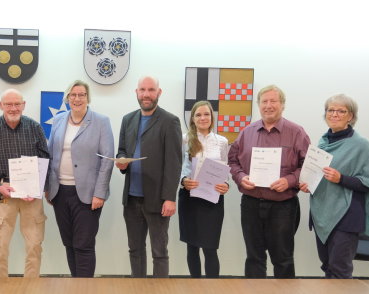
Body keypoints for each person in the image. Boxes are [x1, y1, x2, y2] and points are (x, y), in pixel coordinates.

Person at [228, 85, 310, 278]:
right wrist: (241, 177)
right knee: (254, 257)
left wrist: (289, 180)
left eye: (273, 101)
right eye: (264, 101)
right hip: (251, 204)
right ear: (258, 105)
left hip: (283, 206)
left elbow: (308, 166)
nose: (268, 105)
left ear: (282, 105)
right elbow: (232, 161)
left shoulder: (297, 132)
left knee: (283, 258)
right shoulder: (246, 132)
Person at [299, 94, 369, 278]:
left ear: (350, 116)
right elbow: (318, 176)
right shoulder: (322, 143)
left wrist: (341, 178)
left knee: (340, 270)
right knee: (327, 265)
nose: (335, 114)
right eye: (331, 110)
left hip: (346, 216)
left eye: (341, 111)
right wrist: (308, 185)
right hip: (322, 213)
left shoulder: (361, 145)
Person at [115, 76, 182, 278]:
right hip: (132, 199)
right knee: (135, 250)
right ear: (136, 92)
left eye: (151, 90)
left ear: (159, 93)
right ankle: (138, 288)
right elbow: (122, 150)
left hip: (158, 200)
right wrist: (121, 161)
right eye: (142, 89)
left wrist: (170, 197)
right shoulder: (128, 119)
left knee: (159, 253)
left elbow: (174, 162)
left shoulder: (170, 121)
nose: (146, 94)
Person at [46, 80, 114, 277]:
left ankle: (84, 288)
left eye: (81, 94)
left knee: (83, 245)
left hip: (87, 195)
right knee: (69, 244)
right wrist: (48, 188)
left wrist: (100, 193)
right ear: (67, 98)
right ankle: (76, 284)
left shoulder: (101, 121)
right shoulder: (59, 120)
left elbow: (107, 160)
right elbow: (51, 155)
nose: (77, 98)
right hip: (60, 193)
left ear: (87, 97)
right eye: (73, 95)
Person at [0, 89, 49, 278]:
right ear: (0, 105)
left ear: (24, 105)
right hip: (3, 193)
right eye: (9, 104)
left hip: (31, 195)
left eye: (17, 104)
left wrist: (38, 188)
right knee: (0, 246)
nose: (13, 108)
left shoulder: (35, 127)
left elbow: (45, 160)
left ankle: (31, 286)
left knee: (34, 245)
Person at [179, 101, 229, 278]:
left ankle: (212, 288)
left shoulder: (222, 141)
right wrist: (183, 180)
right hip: (190, 198)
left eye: (206, 114)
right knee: (192, 247)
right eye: (198, 115)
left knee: (210, 248)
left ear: (212, 117)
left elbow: (225, 169)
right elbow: (179, 167)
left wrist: (226, 185)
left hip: (213, 200)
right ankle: (195, 286)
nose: (203, 118)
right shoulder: (184, 139)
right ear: (192, 119)